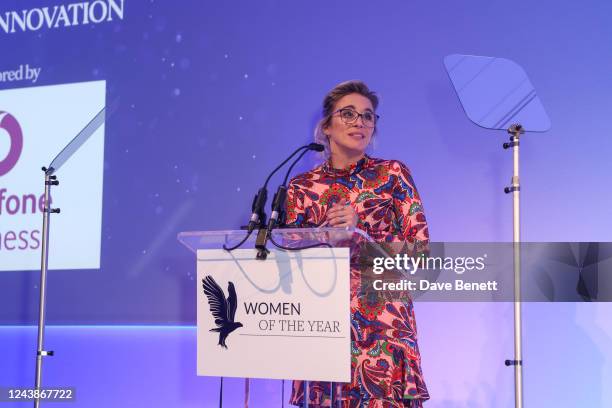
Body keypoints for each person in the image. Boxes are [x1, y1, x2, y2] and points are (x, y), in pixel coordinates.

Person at [285, 80, 430, 407]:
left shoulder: (392, 174)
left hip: (383, 323)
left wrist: (360, 232)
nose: (360, 122)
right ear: (326, 127)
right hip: (321, 320)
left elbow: (419, 253)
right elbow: (289, 256)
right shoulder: (301, 187)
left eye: (368, 116)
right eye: (348, 114)